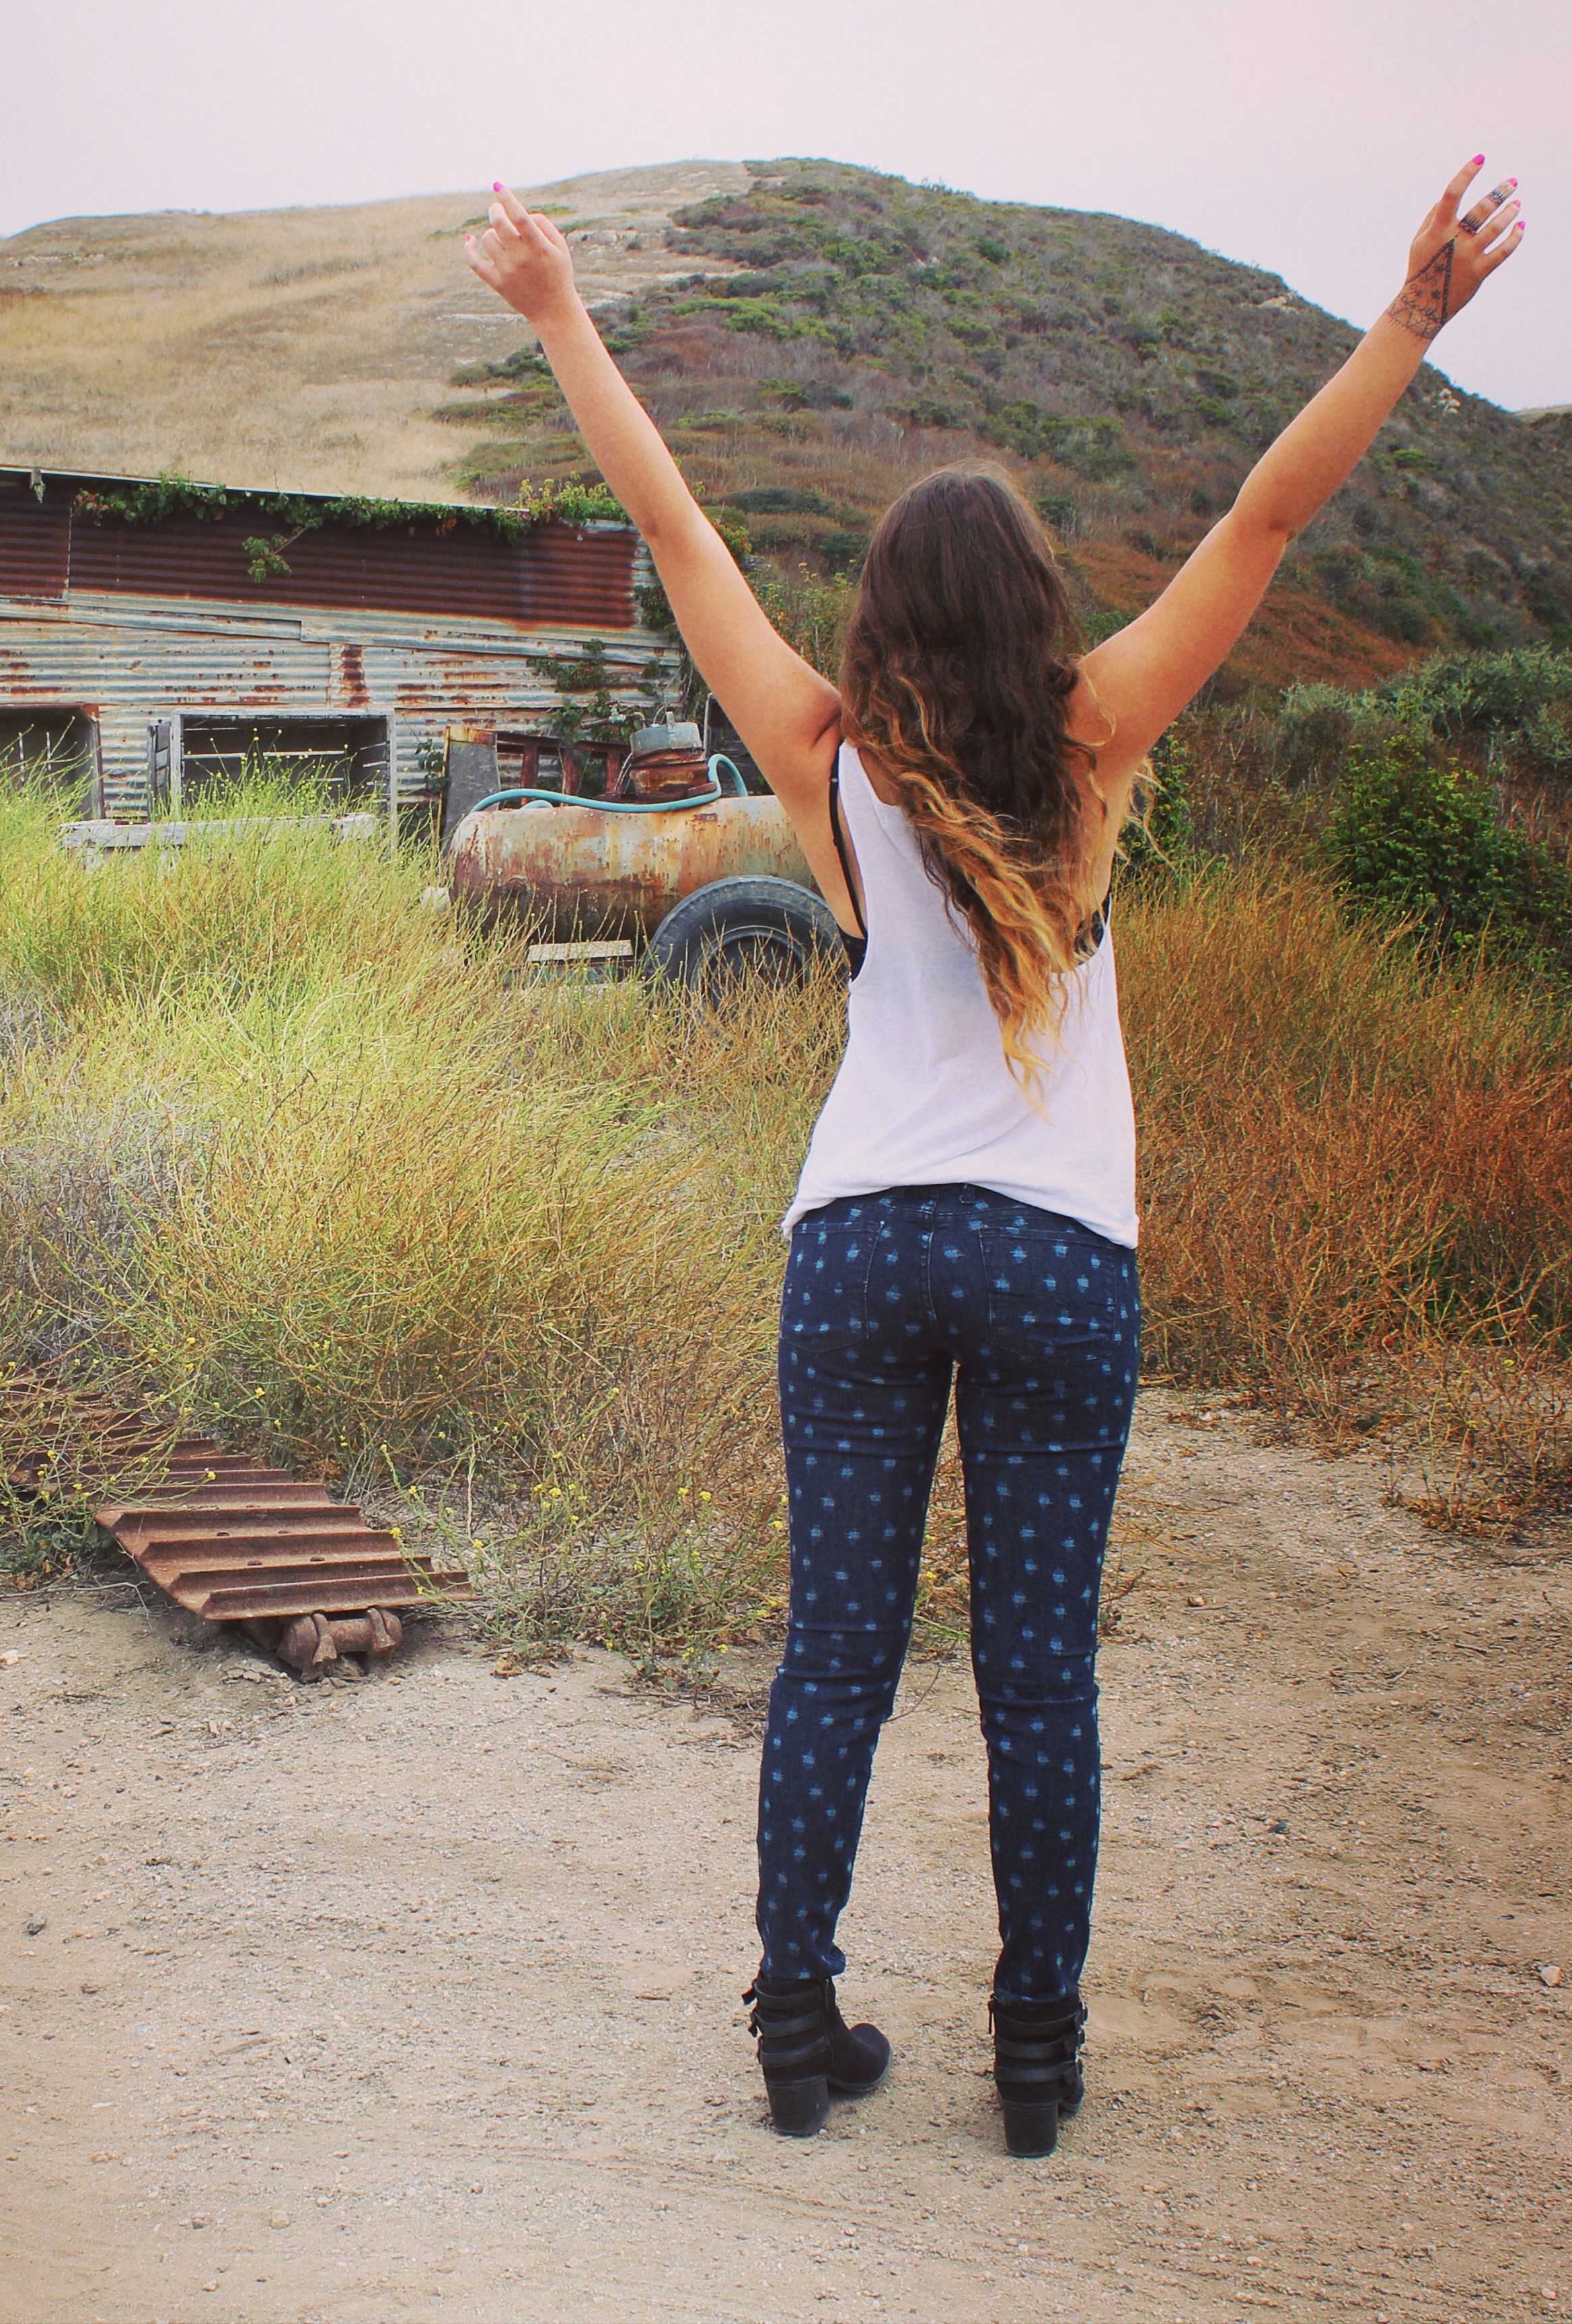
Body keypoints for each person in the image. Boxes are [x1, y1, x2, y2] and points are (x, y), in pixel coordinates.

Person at [465, 159, 1522, 2157]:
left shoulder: (823, 760)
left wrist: (559, 314)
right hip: (1054, 1254)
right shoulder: (1098, 735)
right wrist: (1408, 321)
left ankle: (799, 2027)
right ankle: (1036, 2058)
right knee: (1038, 1678)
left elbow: (676, 528)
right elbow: (1265, 520)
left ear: (879, 618)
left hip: (862, 1245)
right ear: (1038, 610)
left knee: (837, 1661)